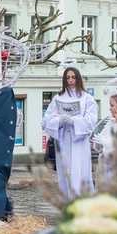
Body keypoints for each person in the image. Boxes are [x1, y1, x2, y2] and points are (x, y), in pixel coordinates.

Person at [42, 67, 98, 199]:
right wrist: (59, 121)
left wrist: (74, 121)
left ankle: (82, 201)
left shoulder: (87, 98)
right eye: (68, 77)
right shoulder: (57, 98)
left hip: (79, 142)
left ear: (78, 78)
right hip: (64, 141)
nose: (71, 80)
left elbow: (91, 120)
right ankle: (67, 202)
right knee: (65, 173)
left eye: (73, 77)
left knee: (80, 172)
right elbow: (46, 120)